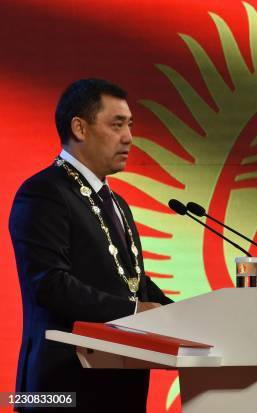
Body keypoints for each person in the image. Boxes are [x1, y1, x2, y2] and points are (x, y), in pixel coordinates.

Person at [9, 78, 173, 412]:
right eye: (117, 125)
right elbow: (49, 284)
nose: (129, 137)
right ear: (80, 128)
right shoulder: (44, 192)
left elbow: (136, 285)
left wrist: (193, 317)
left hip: (120, 385)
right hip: (61, 388)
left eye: (130, 125)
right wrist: (133, 312)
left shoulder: (118, 204)